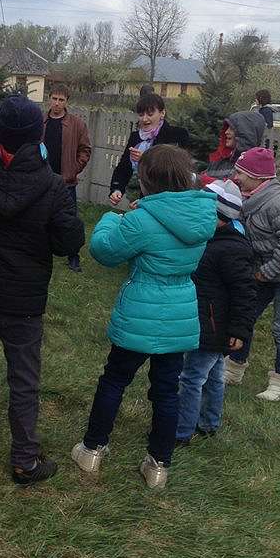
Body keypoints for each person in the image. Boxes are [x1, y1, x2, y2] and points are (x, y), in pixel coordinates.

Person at [0, 95, 85, 487]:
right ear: (36, 135)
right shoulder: (52, 186)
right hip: (21, 299)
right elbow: (68, 242)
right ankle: (24, 459)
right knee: (23, 379)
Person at [72, 145, 217, 490]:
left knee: (115, 379)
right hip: (180, 311)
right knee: (167, 391)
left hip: (140, 310)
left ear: (147, 179)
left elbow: (104, 251)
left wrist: (112, 218)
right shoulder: (201, 217)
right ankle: (159, 466)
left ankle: (93, 448)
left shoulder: (140, 219)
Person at [175, 180, 256, 445]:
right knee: (213, 375)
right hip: (206, 320)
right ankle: (209, 422)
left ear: (218, 216)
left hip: (212, 326)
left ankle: (181, 431)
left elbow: (245, 293)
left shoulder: (232, 249)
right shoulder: (210, 239)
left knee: (191, 378)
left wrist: (239, 330)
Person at [225, 147, 280, 400]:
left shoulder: (279, 205)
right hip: (263, 272)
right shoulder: (251, 199)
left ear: (258, 177)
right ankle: (235, 368)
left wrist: (266, 272)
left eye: (240, 172)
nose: (235, 176)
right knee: (245, 316)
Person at [42, 83, 91, 271]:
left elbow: (85, 149)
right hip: (43, 179)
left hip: (66, 182)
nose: (56, 103)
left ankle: (73, 256)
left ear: (66, 102)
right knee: (41, 216)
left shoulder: (77, 124)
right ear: (49, 99)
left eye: (61, 100)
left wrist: (74, 169)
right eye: (54, 99)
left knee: (69, 219)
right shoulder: (41, 122)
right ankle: (42, 249)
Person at [109, 93, 189, 205]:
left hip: (170, 201)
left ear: (162, 113)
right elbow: (124, 168)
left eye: (150, 114)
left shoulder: (177, 135)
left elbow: (177, 171)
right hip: (144, 199)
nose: (145, 119)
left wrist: (146, 159)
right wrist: (117, 189)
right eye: (141, 115)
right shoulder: (135, 137)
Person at [200, 111, 265, 184]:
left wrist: (203, 180)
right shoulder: (221, 159)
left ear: (244, 134)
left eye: (231, 129)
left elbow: (233, 187)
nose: (226, 132)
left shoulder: (251, 165)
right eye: (227, 128)